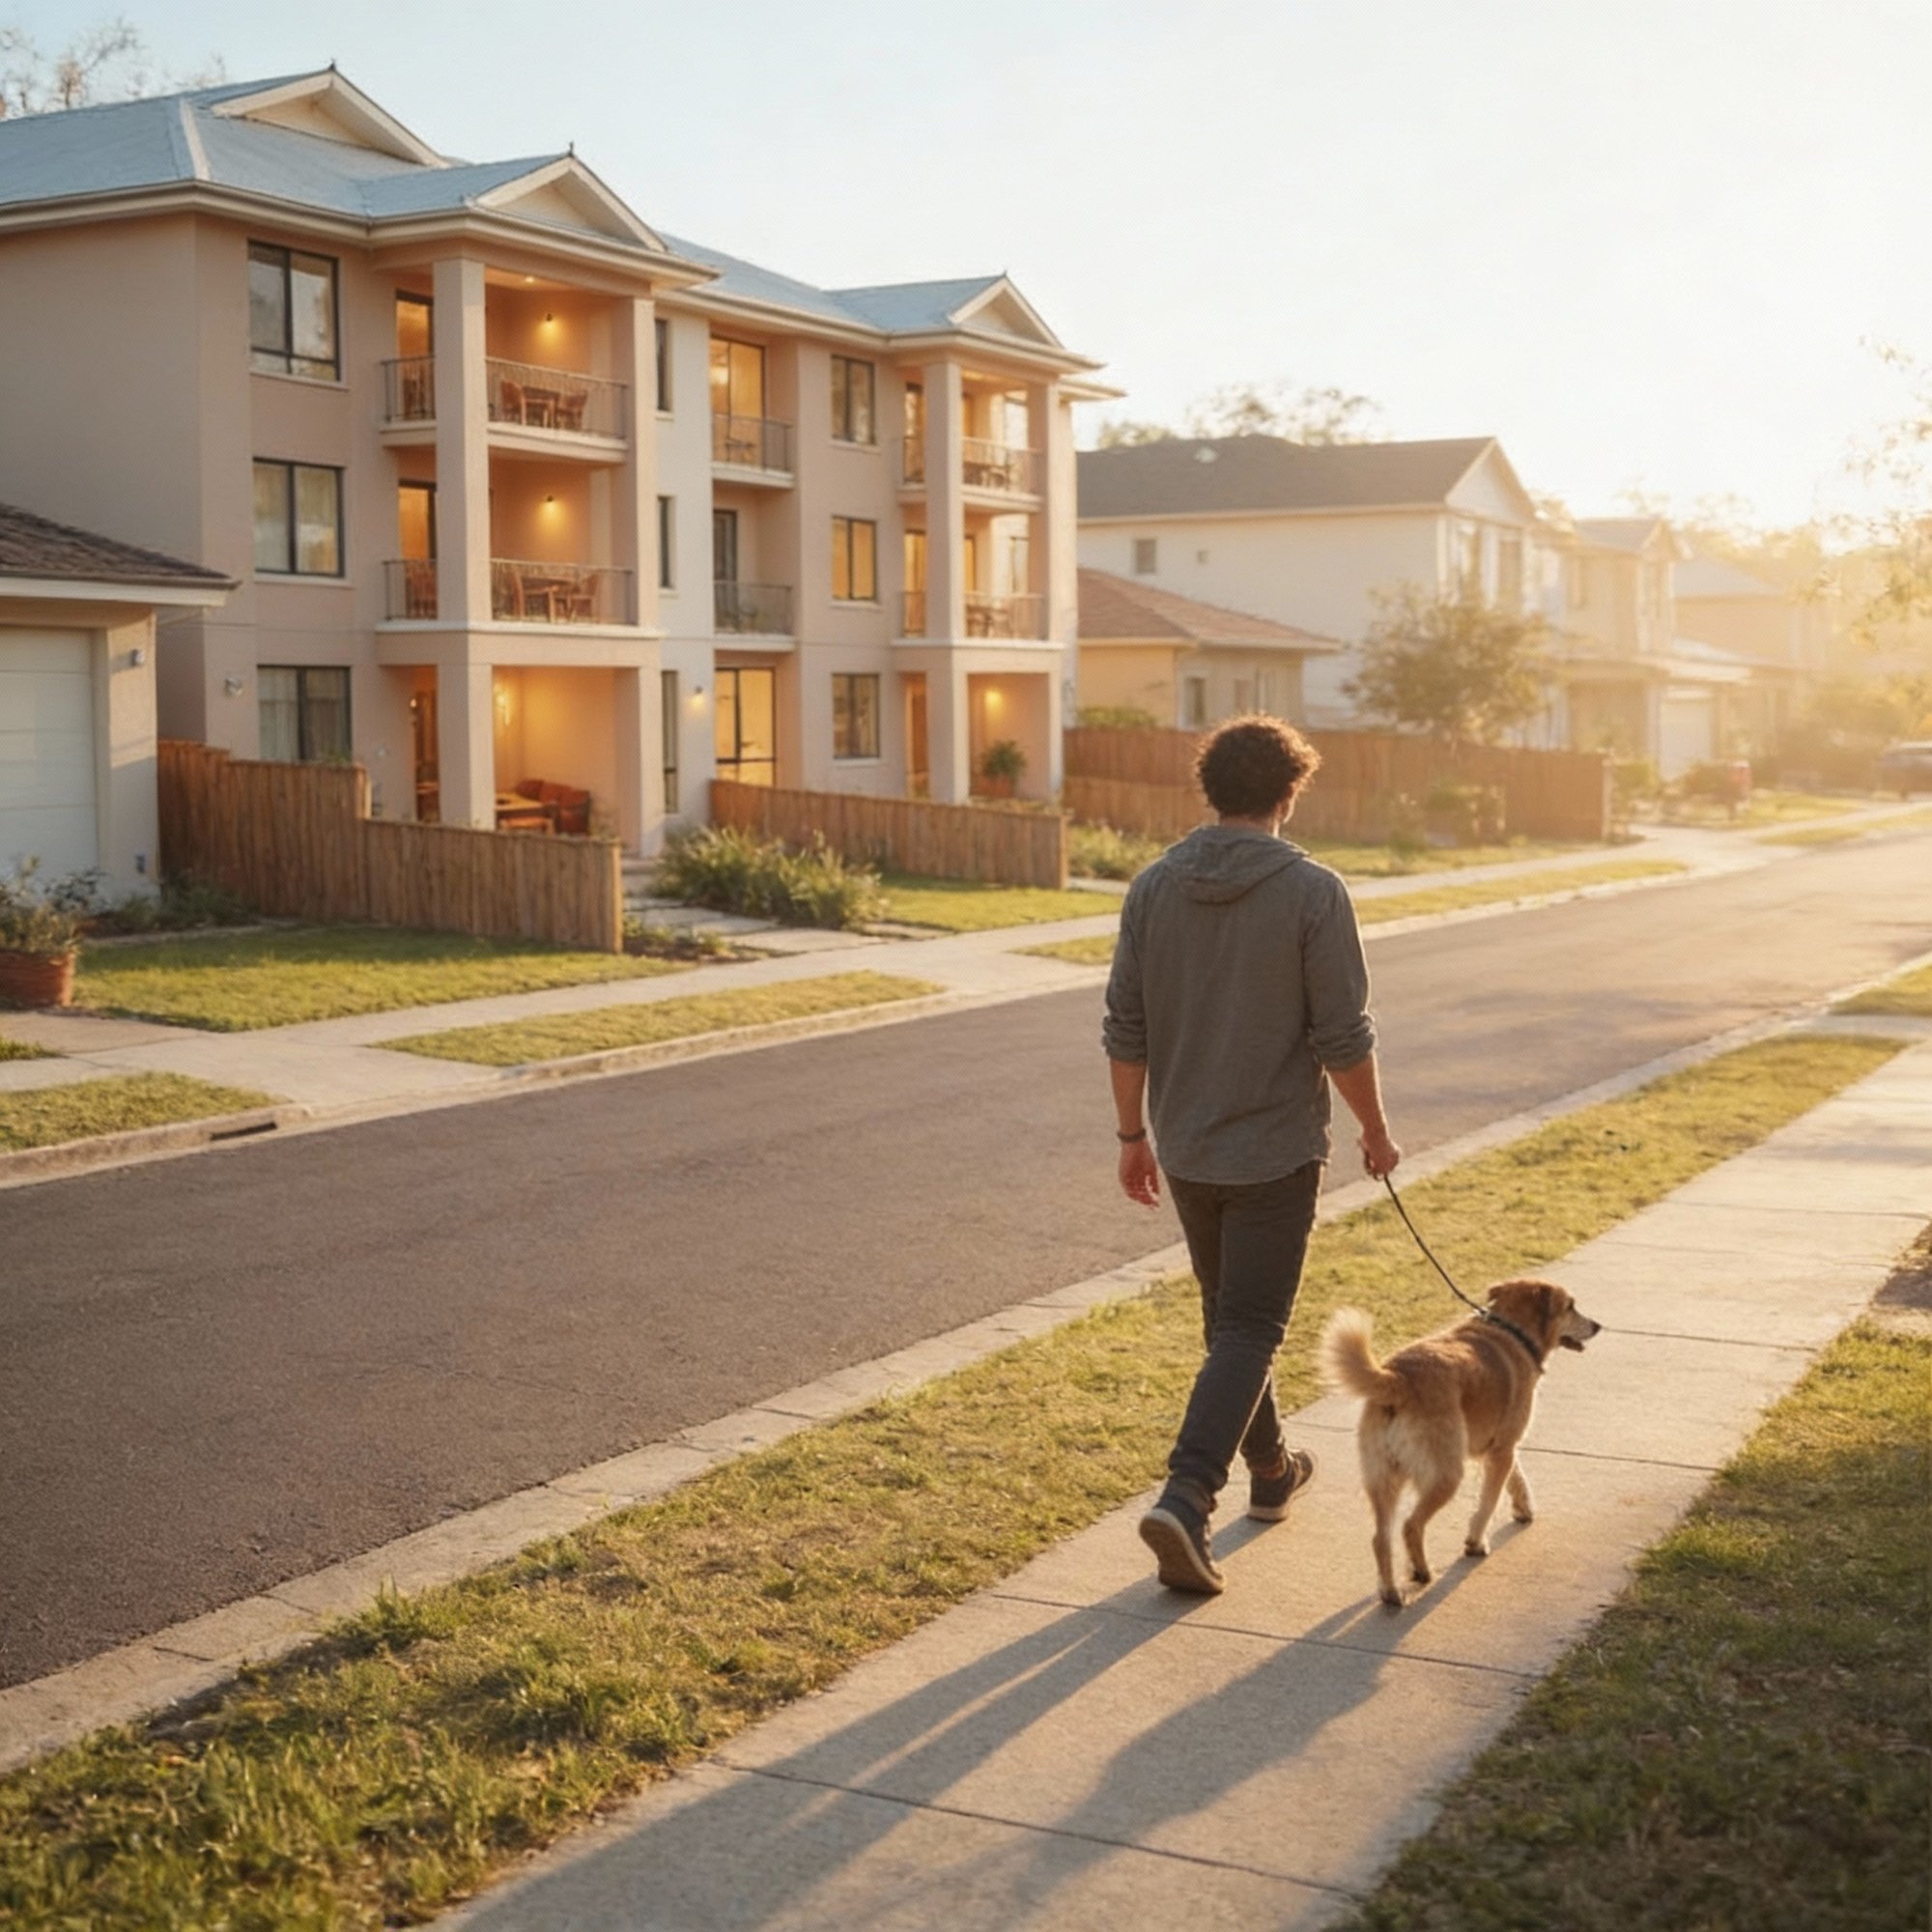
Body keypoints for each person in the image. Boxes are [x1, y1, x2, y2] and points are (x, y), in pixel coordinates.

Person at [1102, 714, 1400, 1594]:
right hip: (1272, 1151)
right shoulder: (1312, 891)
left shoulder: (1153, 887)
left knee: (1229, 1321)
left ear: (1212, 790)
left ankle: (1272, 1473)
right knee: (1248, 1326)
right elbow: (1343, 1035)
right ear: (1288, 794)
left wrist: (1132, 1136)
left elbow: (1126, 1028)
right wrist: (1375, 1131)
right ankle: (1188, 1497)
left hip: (1187, 1146)